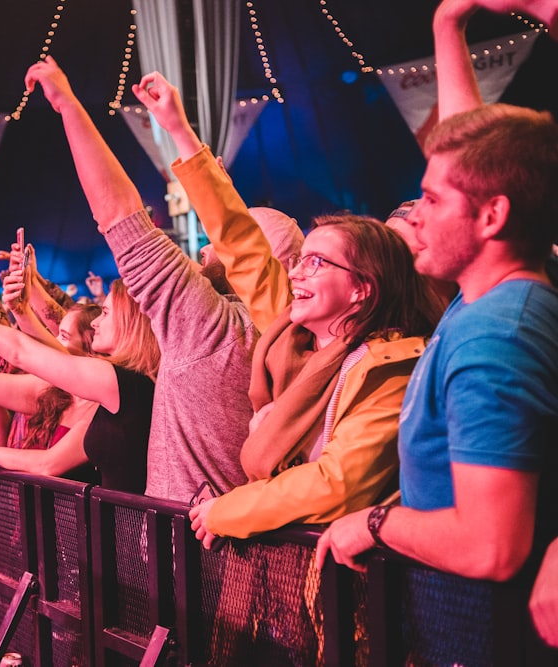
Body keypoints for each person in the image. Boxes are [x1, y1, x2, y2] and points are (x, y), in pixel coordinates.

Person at [117, 68, 441, 539]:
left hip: (341, 572)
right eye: (301, 260)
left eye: (317, 263)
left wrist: (228, 511)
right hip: (273, 557)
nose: (295, 273)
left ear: (365, 285)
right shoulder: (294, 332)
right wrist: (179, 132)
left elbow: (336, 481)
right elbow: (241, 245)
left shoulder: (395, 363)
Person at [24, 57, 304, 501]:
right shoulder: (289, 344)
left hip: (183, 553)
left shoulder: (214, 327)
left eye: (230, 243)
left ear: (256, 264)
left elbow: (121, 218)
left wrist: (69, 106)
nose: (209, 246)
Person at [315, 104, 558, 582]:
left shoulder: (492, 338)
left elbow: (490, 548)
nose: (416, 216)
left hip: (480, 639)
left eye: (430, 199)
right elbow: (491, 155)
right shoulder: (494, 300)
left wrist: (376, 523)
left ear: (492, 216)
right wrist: (447, 27)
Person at [0, 277, 159, 494]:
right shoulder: (126, 385)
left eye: (105, 313)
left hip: (125, 536)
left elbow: (20, 351)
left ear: (130, 321)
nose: (96, 324)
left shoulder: (124, 382)